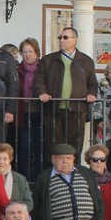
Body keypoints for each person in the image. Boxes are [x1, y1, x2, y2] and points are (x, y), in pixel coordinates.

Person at [34, 26, 98, 157]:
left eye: (65, 37)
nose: (61, 40)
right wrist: (42, 93)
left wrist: (91, 94)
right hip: (53, 109)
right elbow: (39, 80)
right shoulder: (48, 60)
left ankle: (74, 172)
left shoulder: (86, 61)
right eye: (60, 37)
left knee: (75, 145)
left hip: (77, 110)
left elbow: (93, 83)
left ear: (75, 40)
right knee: (53, 145)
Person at [14, 37, 43, 179]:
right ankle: (25, 178)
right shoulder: (17, 69)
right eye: (24, 51)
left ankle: (37, 178)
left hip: (41, 112)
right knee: (24, 147)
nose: (27, 55)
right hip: (23, 112)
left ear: (36, 52)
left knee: (39, 146)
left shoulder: (43, 69)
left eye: (30, 51)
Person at [0, 142, 33, 211]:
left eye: (5, 159)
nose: (1, 162)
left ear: (10, 160)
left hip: (14, 219)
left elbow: (29, 203)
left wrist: (14, 211)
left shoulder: (20, 179)